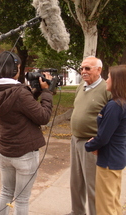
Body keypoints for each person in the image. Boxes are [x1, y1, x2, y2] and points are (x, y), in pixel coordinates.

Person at [0, 51, 53, 215]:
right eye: (18, 67)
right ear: (14, 68)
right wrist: (47, 92)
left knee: (6, 192)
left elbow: (24, 107)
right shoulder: (20, 92)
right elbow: (43, 117)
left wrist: (36, 91)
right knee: (22, 199)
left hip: (5, 151)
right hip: (24, 154)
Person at [69, 56, 111, 215]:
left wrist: (102, 142)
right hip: (75, 140)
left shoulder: (106, 88)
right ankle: (77, 211)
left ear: (99, 70)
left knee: (92, 185)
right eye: (81, 68)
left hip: (92, 144)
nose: (83, 72)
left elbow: (114, 119)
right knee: (76, 182)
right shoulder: (81, 86)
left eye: (88, 68)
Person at [85, 65, 126, 215]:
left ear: (117, 82)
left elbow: (103, 137)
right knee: (113, 202)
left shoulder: (115, 106)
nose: (106, 80)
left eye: (109, 77)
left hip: (109, 161)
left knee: (105, 207)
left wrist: (89, 145)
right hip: (116, 159)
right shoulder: (121, 103)